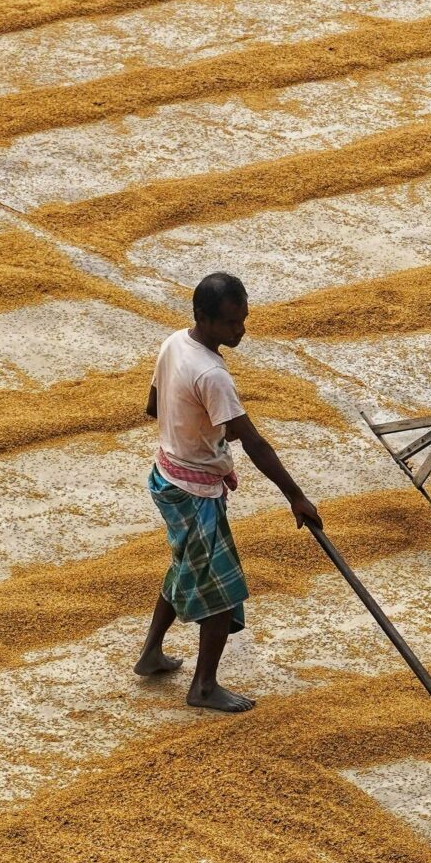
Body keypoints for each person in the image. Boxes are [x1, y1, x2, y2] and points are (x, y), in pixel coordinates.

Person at [134, 272, 324, 714]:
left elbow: (153, 404)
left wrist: (199, 429)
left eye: (243, 320)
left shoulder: (173, 344)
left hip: (166, 474)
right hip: (194, 491)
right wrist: (295, 495)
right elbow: (255, 442)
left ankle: (151, 655)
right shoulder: (213, 375)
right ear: (203, 317)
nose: (239, 331)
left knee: (185, 566)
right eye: (230, 324)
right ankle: (203, 687)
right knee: (223, 592)